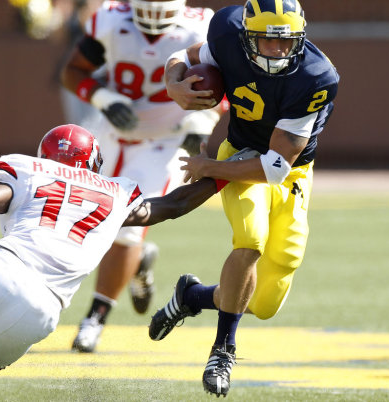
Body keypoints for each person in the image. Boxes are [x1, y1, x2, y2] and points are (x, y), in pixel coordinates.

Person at [0, 124, 219, 402]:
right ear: (94, 162)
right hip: (42, 308)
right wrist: (226, 175)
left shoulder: (27, 170)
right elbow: (175, 203)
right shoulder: (115, 192)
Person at [148, 0, 339, 397]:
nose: (278, 51)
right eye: (267, 42)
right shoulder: (227, 31)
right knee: (250, 242)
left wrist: (208, 168)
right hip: (239, 152)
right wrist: (174, 83)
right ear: (247, 36)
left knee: (265, 303)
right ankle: (223, 350)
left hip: (288, 170)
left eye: (286, 43)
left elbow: (274, 167)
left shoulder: (316, 76)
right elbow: (182, 55)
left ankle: (192, 296)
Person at [61, 0, 225, 353]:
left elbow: (221, 88)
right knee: (82, 220)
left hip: (167, 140)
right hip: (112, 133)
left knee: (129, 225)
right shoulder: (109, 18)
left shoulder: (200, 28)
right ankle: (138, 261)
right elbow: (73, 71)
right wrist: (103, 97)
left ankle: (95, 318)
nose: (152, 20)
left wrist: (200, 124)